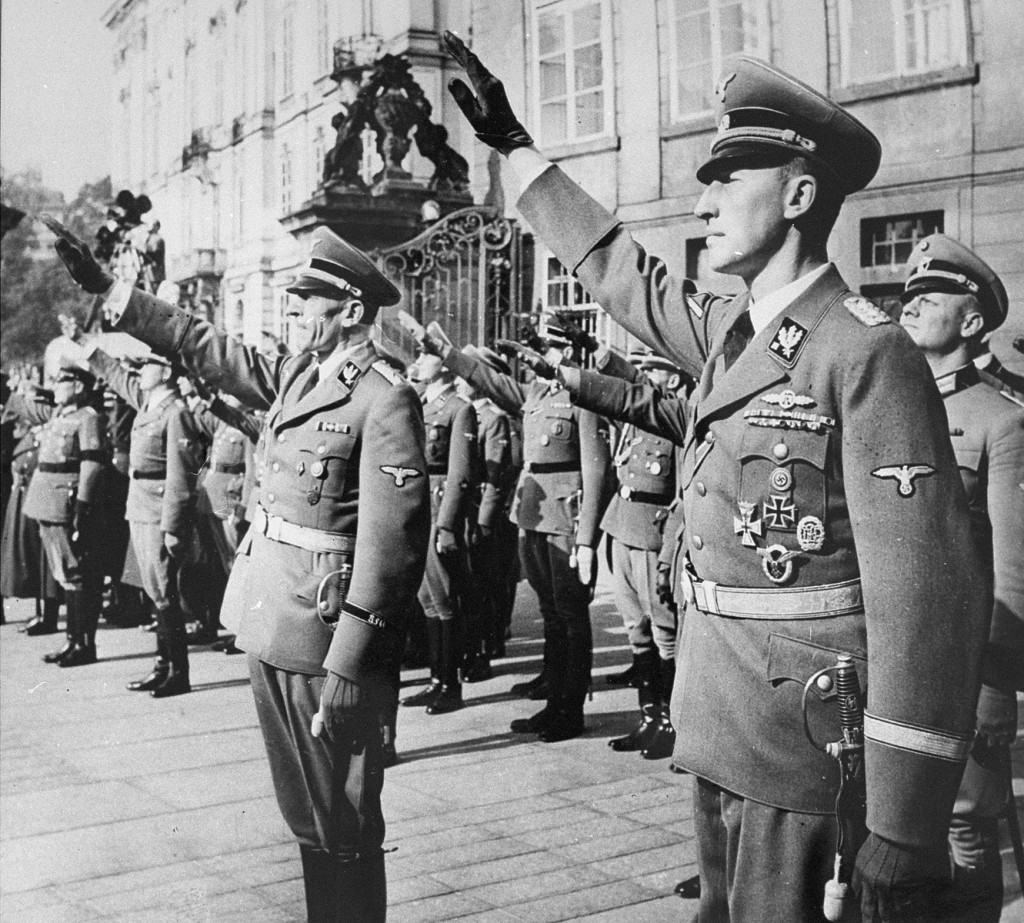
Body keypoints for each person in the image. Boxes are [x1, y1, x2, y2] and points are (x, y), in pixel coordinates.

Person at [440, 35, 988, 921]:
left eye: (728, 179)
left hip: (807, 751)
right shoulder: (734, 330)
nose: (702, 203)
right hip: (720, 722)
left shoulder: (866, 353)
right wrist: (517, 150)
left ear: (799, 195)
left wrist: (905, 820)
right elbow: (622, 273)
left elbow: (926, 602)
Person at [48, 219, 430, 923]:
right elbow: (203, 344)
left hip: (325, 637)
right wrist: (111, 290)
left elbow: (394, 546)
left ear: (351, 310)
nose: (295, 310)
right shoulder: (299, 373)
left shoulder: (385, 397)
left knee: (344, 814)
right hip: (271, 618)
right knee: (306, 812)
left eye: (308, 300)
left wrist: (352, 662)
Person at [898, 234, 1024, 921]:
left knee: (965, 823)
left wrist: (998, 686)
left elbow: (1012, 571)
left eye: (932, 295)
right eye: (910, 294)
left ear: (972, 321)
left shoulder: (1001, 423)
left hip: (961, 666)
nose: (911, 304)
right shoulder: (883, 406)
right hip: (886, 658)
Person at [423, 317, 612, 742]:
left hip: (566, 515)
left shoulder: (586, 396)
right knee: (550, 609)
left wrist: (586, 538)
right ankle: (554, 699)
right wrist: (445, 353)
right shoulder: (536, 394)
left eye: (549, 347)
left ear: (569, 351)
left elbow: (597, 472)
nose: (540, 356)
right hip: (533, 514)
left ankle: (571, 708)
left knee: (571, 611)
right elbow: (488, 380)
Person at [78, 350, 203, 697]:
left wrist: (173, 526)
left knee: (164, 590)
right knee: (154, 590)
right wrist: (90, 350)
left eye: (148, 365)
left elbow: (181, 475)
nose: (141, 371)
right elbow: (120, 379)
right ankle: (162, 666)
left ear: (165, 373)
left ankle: (178, 672)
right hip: (140, 504)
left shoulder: (175, 412)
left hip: (159, 508)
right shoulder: (150, 404)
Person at [399, 349, 477, 715]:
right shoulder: (421, 404)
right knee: (426, 599)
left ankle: (450, 685)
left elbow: (460, 473)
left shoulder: (459, 409)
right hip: (417, 506)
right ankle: (435, 679)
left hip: (438, 506)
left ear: (444, 366)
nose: (417, 360)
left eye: (427, 355)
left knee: (444, 600)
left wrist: (446, 524)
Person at [22, 364, 109, 666]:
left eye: (62, 381)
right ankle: (72, 640)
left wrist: (82, 505)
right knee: (63, 573)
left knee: (76, 572)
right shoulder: (61, 415)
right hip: (45, 500)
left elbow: (91, 465)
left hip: (65, 501)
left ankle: (83, 644)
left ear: (79, 387)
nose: (56, 386)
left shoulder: (88, 418)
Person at [455, 345, 520, 675]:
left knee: (485, 584)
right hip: (467, 510)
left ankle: (484, 649)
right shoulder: (465, 412)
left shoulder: (493, 419)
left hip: (484, 513)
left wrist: (484, 522)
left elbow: (496, 478)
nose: (459, 379)